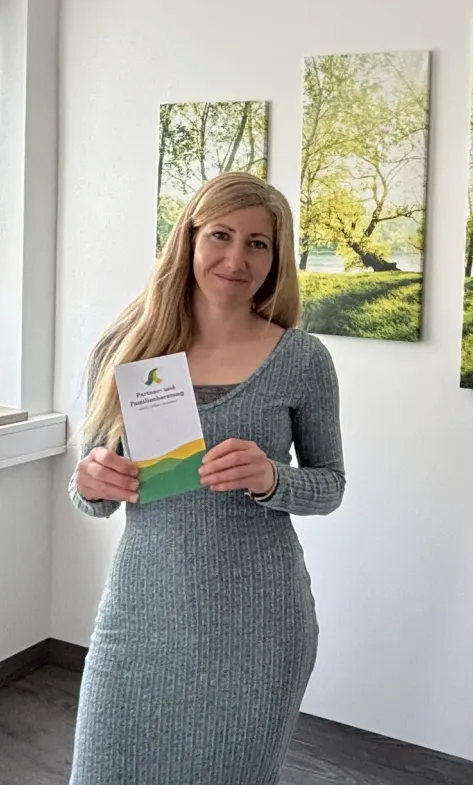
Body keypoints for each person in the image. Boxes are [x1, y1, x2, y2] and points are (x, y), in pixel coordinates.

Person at [67, 172, 345, 785]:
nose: (236, 257)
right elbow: (91, 488)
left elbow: (331, 484)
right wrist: (91, 483)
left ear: (276, 261)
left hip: (259, 627)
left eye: (258, 243)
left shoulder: (300, 359)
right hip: (141, 617)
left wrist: (275, 479)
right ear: (188, 239)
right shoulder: (127, 349)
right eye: (221, 234)